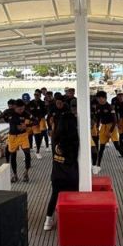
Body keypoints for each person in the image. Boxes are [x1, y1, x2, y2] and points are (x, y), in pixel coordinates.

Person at [44, 98, 80, 231]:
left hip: (56, 173)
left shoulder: (54, 138)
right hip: (71, 174)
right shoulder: (74, 141)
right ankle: (71, 221)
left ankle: (48, 221)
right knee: (73, 197)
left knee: (54, 195)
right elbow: (74, 156)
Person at [92, 90, 123, 173]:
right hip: (103, 126)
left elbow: (115, 120)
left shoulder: (110, 107)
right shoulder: (98, 107)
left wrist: (110, 131)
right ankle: (98, 166)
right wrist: (97, 127)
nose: (99, 100)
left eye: (101, 98)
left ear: (105, 98)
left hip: (112, 126)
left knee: (117, 146)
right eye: (98, 98)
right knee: (101, 147)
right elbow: (98, 118)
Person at [5, 98, 33, 183]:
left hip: (23, 136)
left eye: (23, 109)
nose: (21, 111)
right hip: (12, 137)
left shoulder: (26, 113)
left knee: (27, 153)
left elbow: (35, 121)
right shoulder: (9, 112)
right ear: (15, 107)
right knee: (13, 156)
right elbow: (1, 118)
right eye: (19, 109)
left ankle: (26, 173)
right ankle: (15, 175)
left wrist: (27, 125)